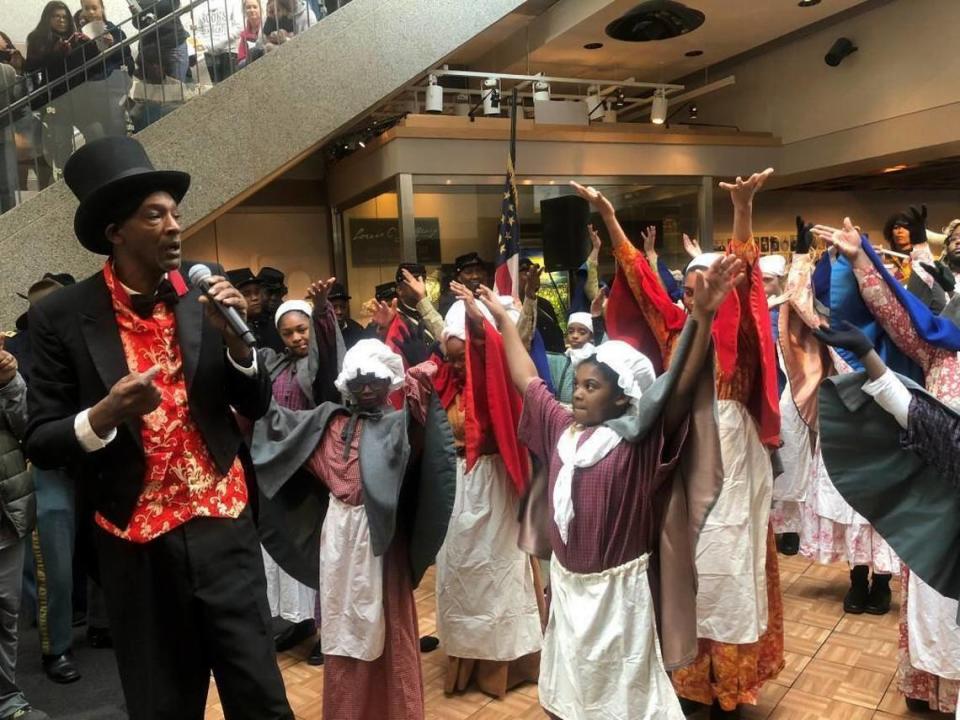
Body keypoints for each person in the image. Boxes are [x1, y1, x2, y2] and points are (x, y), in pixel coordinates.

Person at [23, 136, 292, 720]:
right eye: (155, 215)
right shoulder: (59, 316)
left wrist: (238, 349)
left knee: (263, 701)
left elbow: (257, 399)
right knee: (162, 706)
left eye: (175, 212)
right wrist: (103, 415)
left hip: (225, 528)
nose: (174, 226)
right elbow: (40, 440)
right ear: (115, 232)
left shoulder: (204, 291)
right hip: (136, 545)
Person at [483, 245, 740, 718]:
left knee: (624, 698)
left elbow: (680, 383)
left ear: (625, 399)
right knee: (572, 690)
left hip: (619, 598)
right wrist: (503, 317)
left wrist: (701, 317)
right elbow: (526, 379)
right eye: (577, 384)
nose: (577, 393)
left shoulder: (637, 445)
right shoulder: (562, 429)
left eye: (592, 386)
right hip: (567, 588)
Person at [572, 172, 784, 718]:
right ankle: (689, 681)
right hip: (683, 458)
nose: (692, 298)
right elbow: (639, 278)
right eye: (687, 291)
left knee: (728, 568)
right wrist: (610, 217)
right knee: (683, 565)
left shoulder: (737, 338)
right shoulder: (674, 333)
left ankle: (729, 684)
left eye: (702, 290)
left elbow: (745, 277)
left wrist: (742, 210)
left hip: (733, 464)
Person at [250, 306, 457, 720]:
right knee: (343, 630)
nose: (366, 388)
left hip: (383, 543)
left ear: (388, 382)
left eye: (375, 380)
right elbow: (277, 427)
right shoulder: (328, 424)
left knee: (391, 628)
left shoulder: (400, 427)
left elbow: (425, 430)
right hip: (339, 540)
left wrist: (420, 389)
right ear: (347, 383)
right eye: (359, 380)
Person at [809, 217, 960, 715]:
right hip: (932, 492)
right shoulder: (944, 353)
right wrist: (860, 260)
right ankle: (929, 687)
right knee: (933, 594)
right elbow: (904, 318)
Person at [435, 283, 543, 699]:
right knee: (460, 573)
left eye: (463, 359)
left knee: (496, 575)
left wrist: (480, 321)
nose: (456, 366)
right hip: (457, 487)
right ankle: (465, 658)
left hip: (494, 484)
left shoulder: (493, 383)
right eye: (450, 359)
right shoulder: (443, 382)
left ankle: (505, 664)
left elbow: (492, 356)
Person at [6, 274, 95, 684]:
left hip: (94, 459)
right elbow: (23, 420)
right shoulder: (15, 352)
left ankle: (100, 623)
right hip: (43, 467)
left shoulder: (88, 336)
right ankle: (55, 646)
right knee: (53, 567)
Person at [0, 344, 49, 720]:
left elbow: (28, 428)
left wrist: (9, 382)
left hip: (6, 513)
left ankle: (7, 700)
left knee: (5, 612)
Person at [24, 2, 99, 170]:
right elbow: (31, 67)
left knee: (96, 134)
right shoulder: (37, 38)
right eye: (56, 16)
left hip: (80, 97)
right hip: (55, 100)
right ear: (47, 18)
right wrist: (56, 53)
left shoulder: (76, 36)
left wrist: (90, 45)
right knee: (61, 146)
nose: (61, 20)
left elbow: (94, 66)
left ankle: (92, 171)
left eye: (64, 16)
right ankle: (65, 184)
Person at [73, 0, 134, 139]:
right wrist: (87, 45)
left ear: (102, 9)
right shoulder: (79, 36)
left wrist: (113, 44)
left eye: (94, 8)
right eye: (86, 8)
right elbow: (78, 65)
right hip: (92, 91)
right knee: (98, 131)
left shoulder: (115, 30)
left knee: (116, 123)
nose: (91, 12)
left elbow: (127, 57)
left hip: (115, 86)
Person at [544, 300, 604, 406]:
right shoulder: (560, 359)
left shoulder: (598, 357)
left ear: (591, 337)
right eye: (571, 331)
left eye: (582, 332)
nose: (575, 336)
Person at [226, 267, 283, 352]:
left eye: (257, 292)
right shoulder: (228, 330)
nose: (255, 298)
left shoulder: (275, 323)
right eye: (246, 294)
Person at [132, 0, 189, 83]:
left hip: (173, 44)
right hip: (151, 49)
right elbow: (138, 25)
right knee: (158, 91)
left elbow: (173, 5)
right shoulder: (140, 2)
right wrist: (135, 14)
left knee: (176, 88)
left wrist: (148, 11)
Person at [188, 0, 244, 83]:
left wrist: (217, 44)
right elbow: (196, 31)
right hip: (207, 53)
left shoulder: (233, 2)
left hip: (228, 51)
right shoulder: (196, 4)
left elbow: (239, 27)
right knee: (213, 89)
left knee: (231, 87)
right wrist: (206, 46)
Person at [518, 256, 565, 353]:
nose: (532, 278)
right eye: (525, 274)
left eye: (535, 274)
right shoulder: (509, 305)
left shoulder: (545, 305)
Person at [438, 252, 488, 316]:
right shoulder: (450, 299)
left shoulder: (488, 295)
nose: (475, 276)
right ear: (459, 277)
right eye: (468, 272)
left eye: (478, 271)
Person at [328, 282, 369, 349]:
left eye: (342, 307)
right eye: (334, 307)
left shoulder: (357, 330)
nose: (339, 312)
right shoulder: (322, 333)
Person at [236, 0, 263, 67]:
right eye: (248, 7)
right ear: (244, 11)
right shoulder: (243, 35)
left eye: (255, 7)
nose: (251, 10)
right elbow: (241, 59)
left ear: (260, 9)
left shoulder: (266, 25)